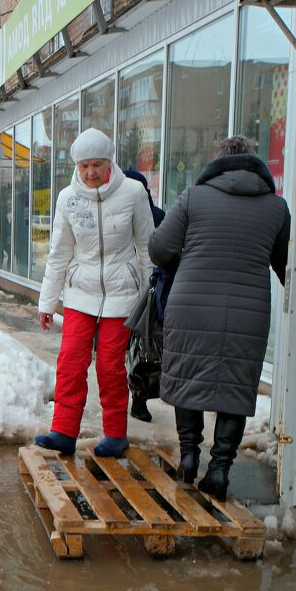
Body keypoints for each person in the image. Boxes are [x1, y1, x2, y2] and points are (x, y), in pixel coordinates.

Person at [149, 136, 290, 501]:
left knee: (188, 377)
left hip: (190, 304)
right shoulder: (277, 208)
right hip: (248, 312)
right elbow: (286, 266)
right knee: (235, 387)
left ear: (216, 163)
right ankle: (220, 470)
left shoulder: (193, 198)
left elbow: (159, 248)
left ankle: (190, 457)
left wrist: (187, 260)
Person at [34, 128, 153, 458]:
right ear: (77, 165)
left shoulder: (132, 192)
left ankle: (115, 433)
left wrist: (149, 297)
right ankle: (63, 431)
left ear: (109, 161)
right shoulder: (66, 198)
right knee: (70, 363)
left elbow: (146, 246)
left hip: (121, 295)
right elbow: (58, 253)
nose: (91, 173)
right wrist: (47, 302)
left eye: (97, 165)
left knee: (110, 367)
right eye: (85, 166)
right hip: (79, 293)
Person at [121, 169, 171, 423]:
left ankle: (135, 397)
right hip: (148, 290)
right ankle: (137, 399)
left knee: (133, 346)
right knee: (143, 346)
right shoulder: (159, 214)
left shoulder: (149, 214)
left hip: (139, 291)